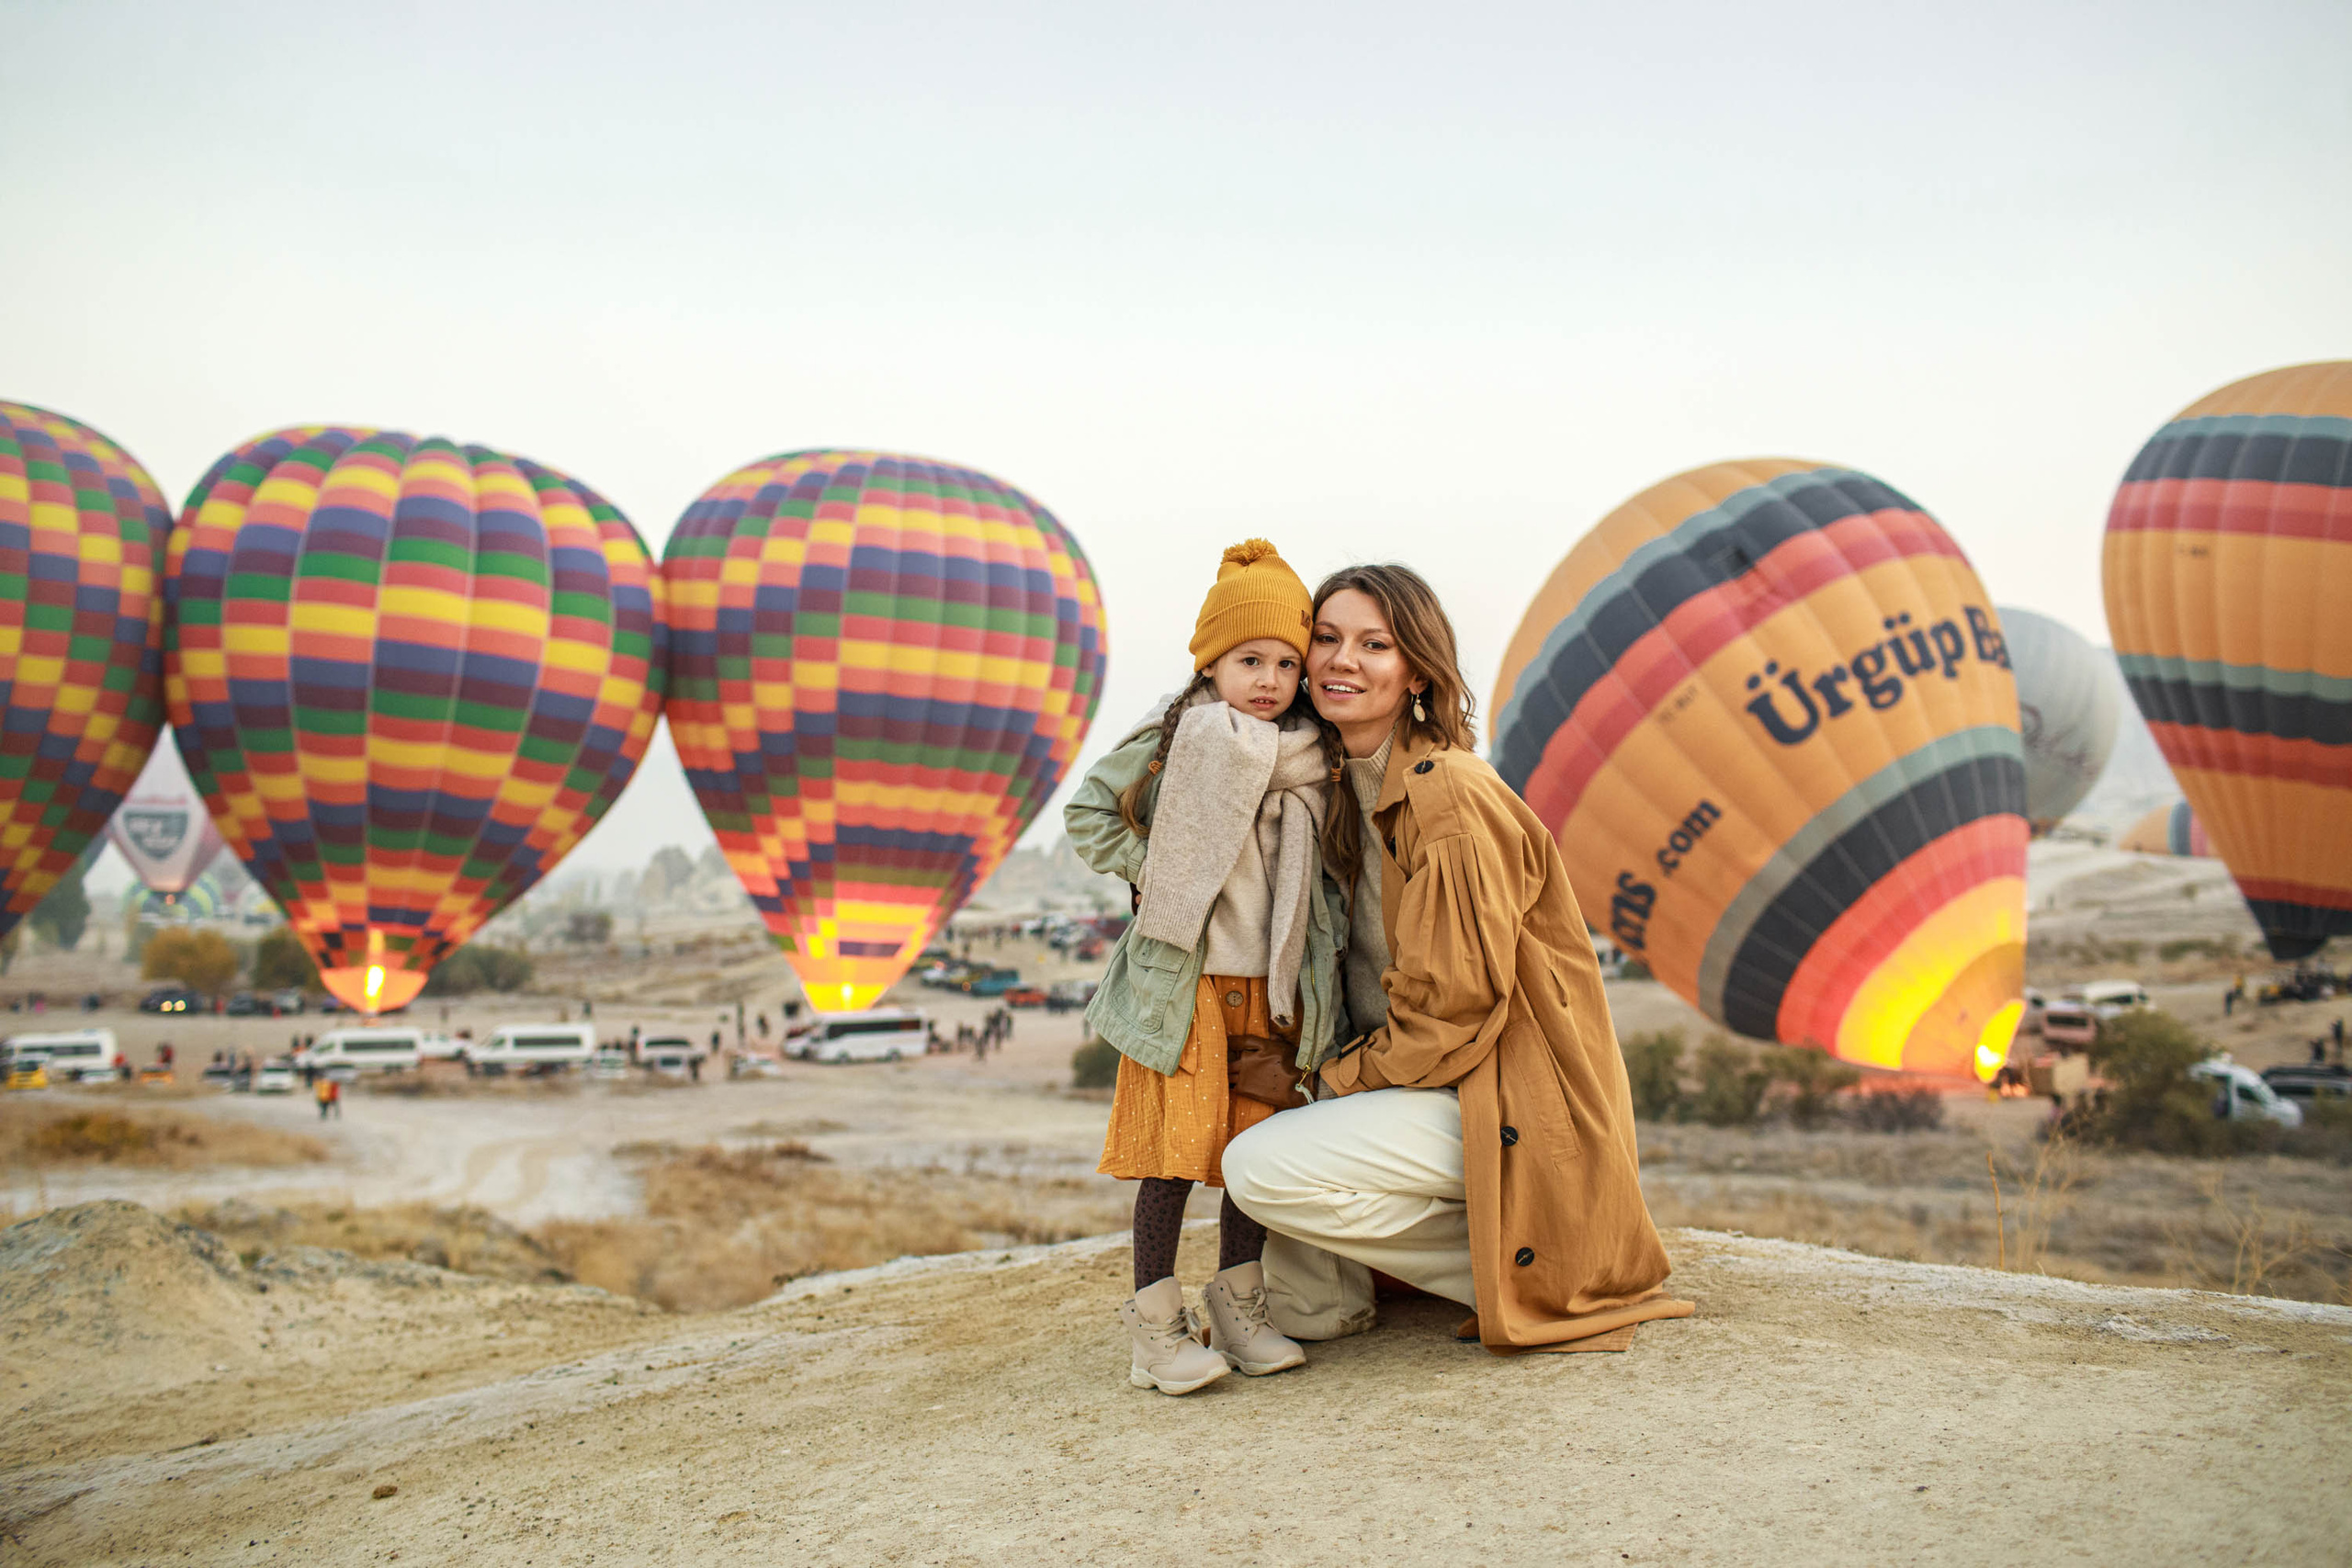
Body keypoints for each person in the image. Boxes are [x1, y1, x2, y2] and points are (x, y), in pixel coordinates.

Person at [1220, 563, 1692, 1355]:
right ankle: (1473, 1255)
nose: (1342, 660)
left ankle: (1518, 1267)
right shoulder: (1335, 791)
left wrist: (1320, 1083)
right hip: (1421, 1088)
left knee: (1259, 1166)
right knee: (1304, 1300)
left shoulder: (1449, 796)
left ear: (1416, 672)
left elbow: (1454, 1012)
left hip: (1496, 1094)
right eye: (1326, 639)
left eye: (1375, 643)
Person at [1065, 538, 1347, 1394]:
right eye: (1247, 659)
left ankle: (1239, 1308)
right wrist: (1153, 868)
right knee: (1173, 1157)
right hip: (1185, 983)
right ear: (1210, 662)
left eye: (1286, 664)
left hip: (1273, 985)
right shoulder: (1173, 738)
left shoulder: (1311, 755)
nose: (1268, 679)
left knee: (1249, 1160)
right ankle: (1156, 1327)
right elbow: (1088, 813)